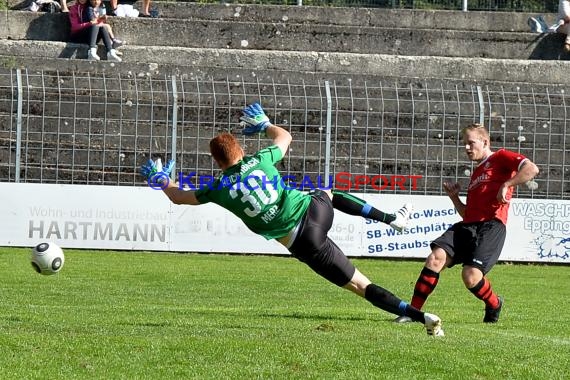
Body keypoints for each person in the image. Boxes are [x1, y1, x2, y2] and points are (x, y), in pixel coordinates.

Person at [140, 102, 445, 337]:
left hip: (302, 242)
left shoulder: (218, 187)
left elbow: (179, 197)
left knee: (359, 285)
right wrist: (265, 124)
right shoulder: (260, 159)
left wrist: (161, 180)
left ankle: (422, 318)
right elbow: (285, 137)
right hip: (313, 212)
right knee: (329, 192)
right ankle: (390, 219)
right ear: (241, 150)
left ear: (217, 162)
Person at [394, 123, 539, 324]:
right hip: (468, 226)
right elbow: (467, 214)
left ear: (485, 141)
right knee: (435, 258)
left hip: (491, 226)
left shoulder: (501, 157)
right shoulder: (477, 172)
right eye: (464, 144)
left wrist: (507, 184)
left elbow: (532, 168)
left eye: (471, 143)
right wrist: (454, 198)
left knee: (470, 276)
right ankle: (412, 312)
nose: (467, 148)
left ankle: (494, 303)